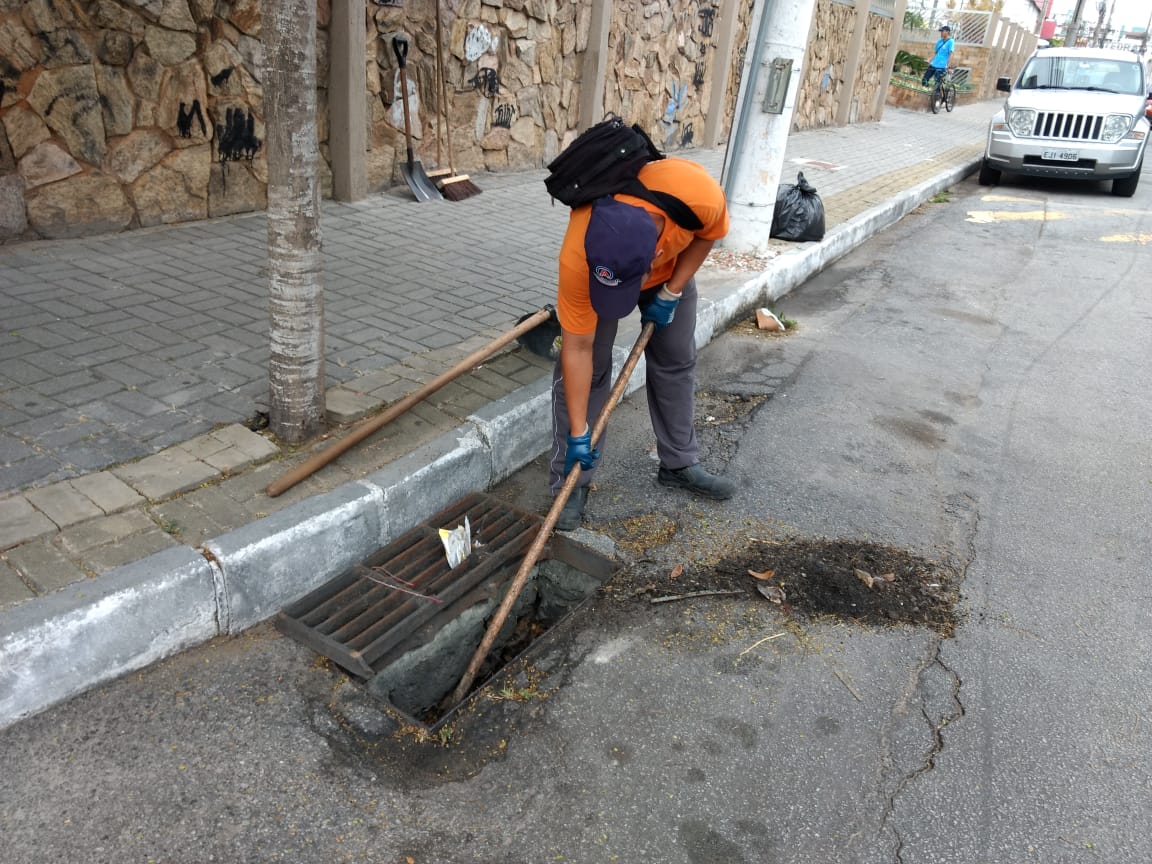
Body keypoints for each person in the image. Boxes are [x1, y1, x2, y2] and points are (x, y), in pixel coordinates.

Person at [549, 156, 736, 531]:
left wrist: (671, 289)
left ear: (655, 253)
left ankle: (679, 463)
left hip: (670, 274)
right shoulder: (579, 260)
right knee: (593, 369)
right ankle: (569, 483)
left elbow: (708, 235)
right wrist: (578, 433)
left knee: (675, 360)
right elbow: (578, 350)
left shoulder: (699, 197)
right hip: (597, 280)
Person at [921, 24, 955, 91]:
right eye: (941, 31)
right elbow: (936, 53)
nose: (941, 33)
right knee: (924, 80)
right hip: (933, 64)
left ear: (947, 32)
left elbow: (951, 54)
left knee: (937, 83)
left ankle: (937, 98)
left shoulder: (951, 41)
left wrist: (948, 66)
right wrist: (930, 60)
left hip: (942, 66)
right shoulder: (939, 41)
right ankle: (928, 93)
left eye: (943, 31)